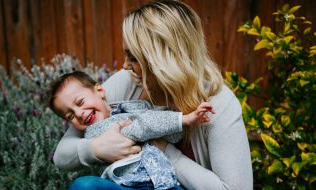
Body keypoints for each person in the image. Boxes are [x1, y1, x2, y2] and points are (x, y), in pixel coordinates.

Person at [53, 0, 253, 189]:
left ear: (165, 60)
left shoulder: (218, 103)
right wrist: (96, 149)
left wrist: (166, 151)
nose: (125, 65)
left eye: (134, 58)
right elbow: (62, 155)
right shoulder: (128, 82)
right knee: (85, 187)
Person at [48, 71, 214, 189]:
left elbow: (172, 136)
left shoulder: (128, 109)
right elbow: (142, 127)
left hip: (163, 181)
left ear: (100, 90)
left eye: (80, 102)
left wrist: (172, 127)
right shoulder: (97, 131)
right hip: (132, 185)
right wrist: (183, 119)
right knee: (84, 185)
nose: (78, 114)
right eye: (69, 116)